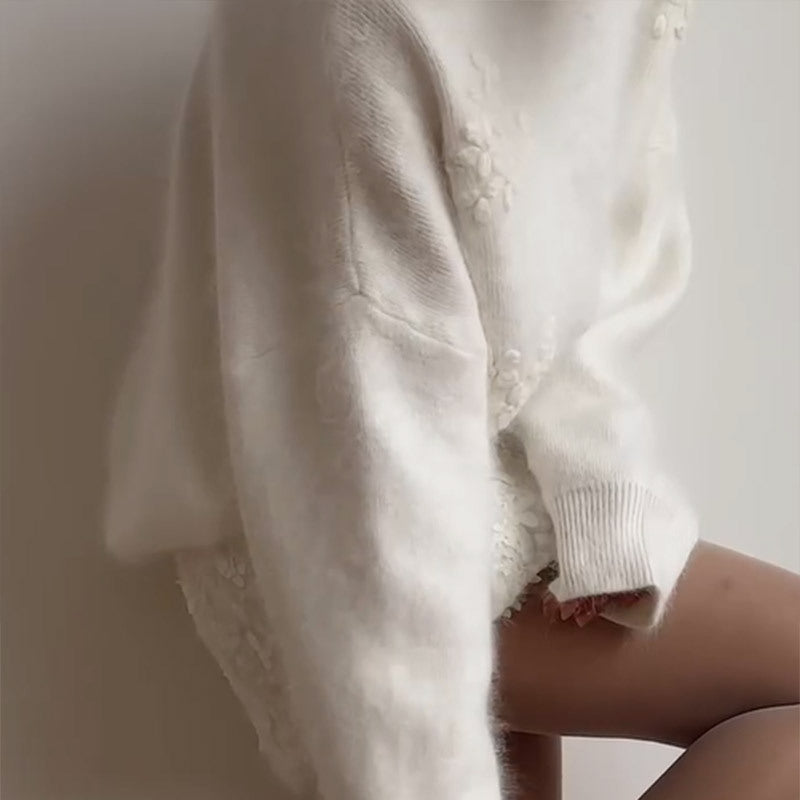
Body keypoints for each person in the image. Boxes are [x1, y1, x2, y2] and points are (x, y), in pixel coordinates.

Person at [102, 1, 800, 798]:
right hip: (329, 511)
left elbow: (599, 261)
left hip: (498, 464)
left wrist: (601, 497)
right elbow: (368, 415)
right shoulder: (355, 25)